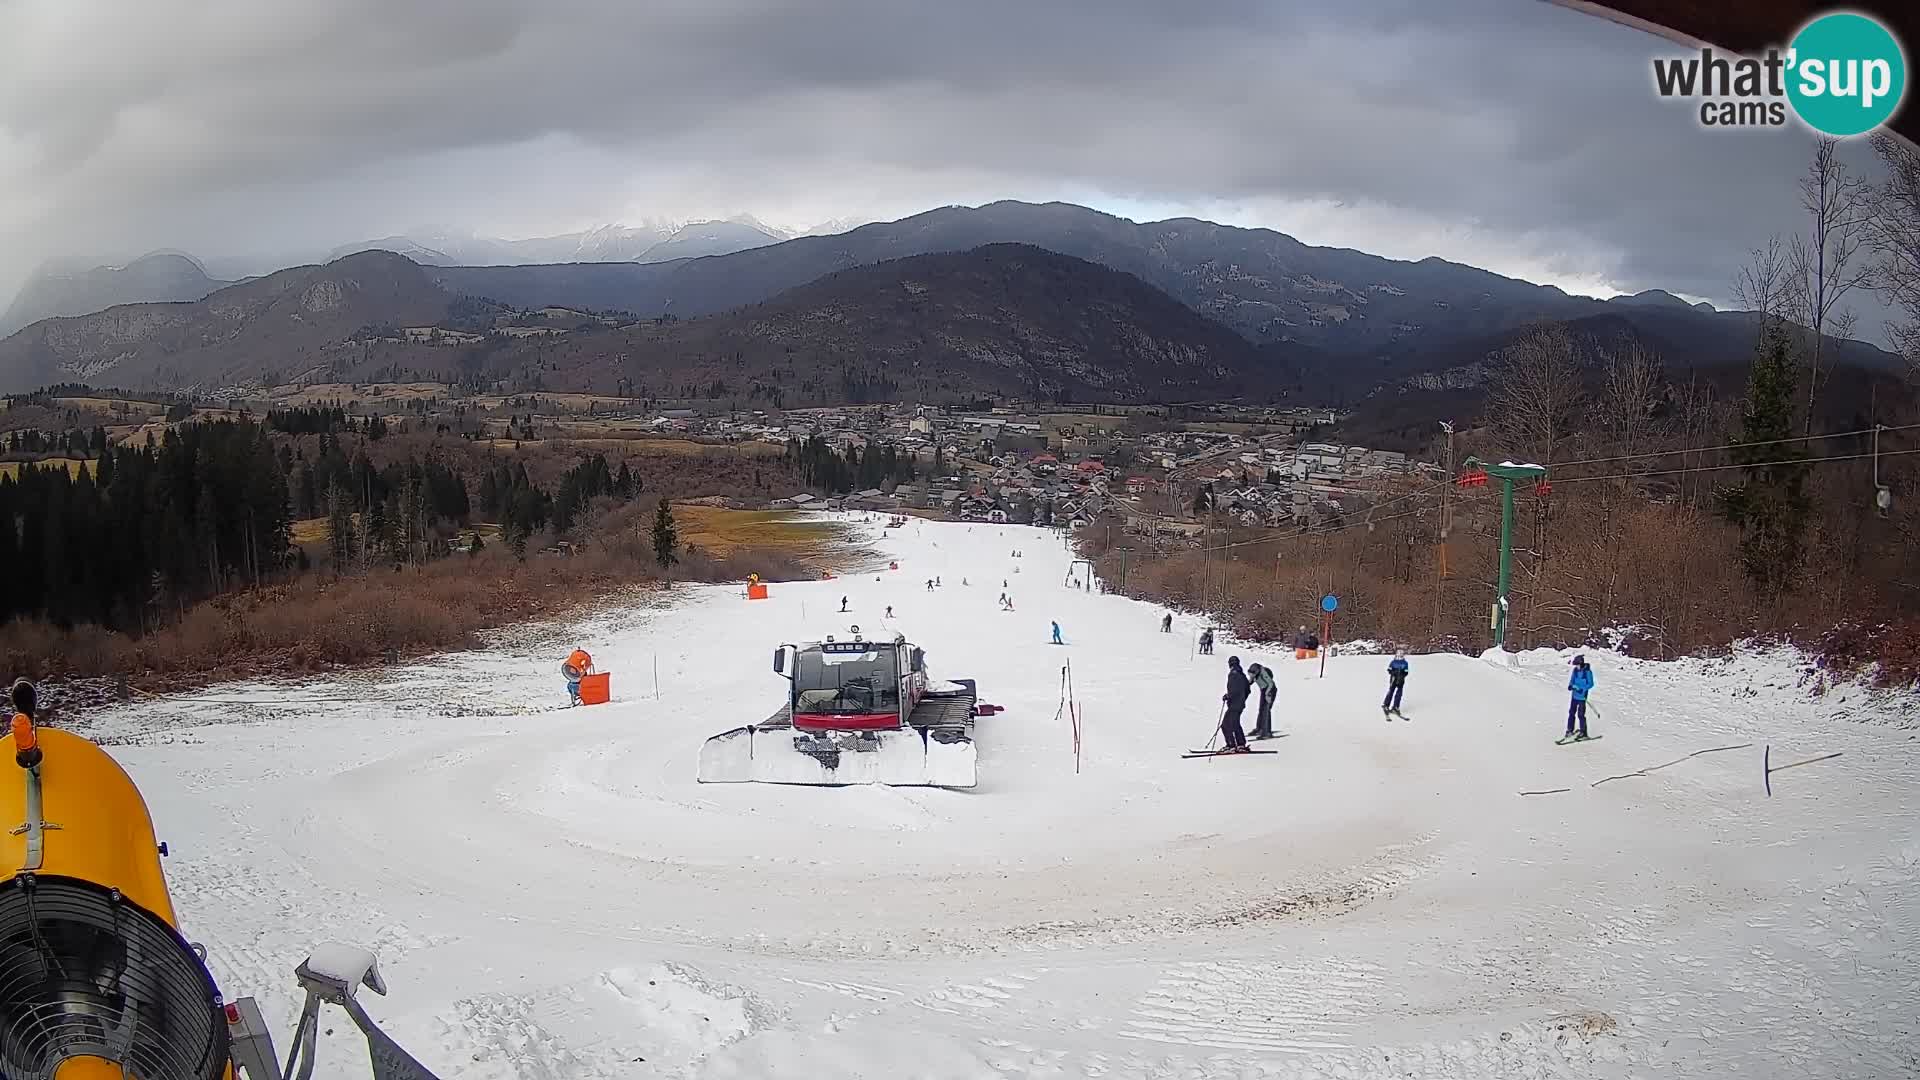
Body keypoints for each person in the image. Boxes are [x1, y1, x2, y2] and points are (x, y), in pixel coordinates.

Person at [1219, 656, 1251, 752]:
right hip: (1240, 704)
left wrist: (1229, 696)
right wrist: (1242, 699)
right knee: (1235, 723)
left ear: (1230, 664)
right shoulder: (1242, 675)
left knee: (1226, 725)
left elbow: (1234, 690)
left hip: (1234, 704)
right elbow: (1247, 690)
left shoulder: (1233, 674)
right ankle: (1241, 744)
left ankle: (1231, 745)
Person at [1563, 654, 1596, 741]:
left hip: (1582, 697)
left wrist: (1582, 689)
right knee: (1571, 713)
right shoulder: (1575, 671)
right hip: (1574, 695)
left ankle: (1583, 732)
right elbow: (1572, 679)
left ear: (1581, 664)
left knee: (1581, 715)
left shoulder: (1587, 672)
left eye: (1577, 665)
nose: (1576, 666)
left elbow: (1591, 684)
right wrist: (1570, 686)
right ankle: (1569, 730)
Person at [1248, 662, 1277, 739]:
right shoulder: (1254, 674)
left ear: (1256, 671)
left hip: (1270, 690)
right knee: (1261, 709)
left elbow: (1271, 683)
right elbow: (1250, 682)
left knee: (1266, 711)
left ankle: (1267, 732)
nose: (1251, 676)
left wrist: (1268, 694)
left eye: (1252, 674)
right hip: (1263, 690)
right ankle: (1259, 728)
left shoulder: (1263, 672)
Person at [1383, 650, 1409, 718]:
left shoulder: (1405, 663)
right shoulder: (1393, 662)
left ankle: (1396, 707)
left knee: (1399, 693)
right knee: (1391, 691)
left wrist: (1402, 675)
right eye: (1398, 655)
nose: (1399, 657)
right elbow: (1389, 669)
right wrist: (1393, 672)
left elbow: (1406, 672)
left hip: (1400, 680)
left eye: (1401, 656)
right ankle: (1386, 704)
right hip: (1393, 679)